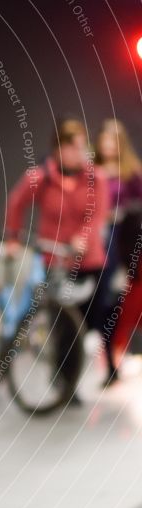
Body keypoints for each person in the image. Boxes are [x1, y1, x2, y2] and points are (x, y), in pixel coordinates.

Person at [4, 116, 109, 396]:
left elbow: (97, 213)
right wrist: (13, 238)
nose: (77, 153)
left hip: (89, 261)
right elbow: (16, 203)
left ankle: (88, 369)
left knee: (89, 323)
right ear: (57, 149)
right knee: (62, 327)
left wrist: (83, 238)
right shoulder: (42, 177)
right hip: (56, 260)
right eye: (70, 147)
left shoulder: (94, 178)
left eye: (80, 147)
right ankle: (65, 382)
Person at [95, 118, 142, 384]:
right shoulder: (91, 172)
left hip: (124, 242)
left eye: (114, 139)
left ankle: (118, 355)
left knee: (119, 300)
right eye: (105, 138)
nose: (109, 144)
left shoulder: (131, 172)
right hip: (97, 241)